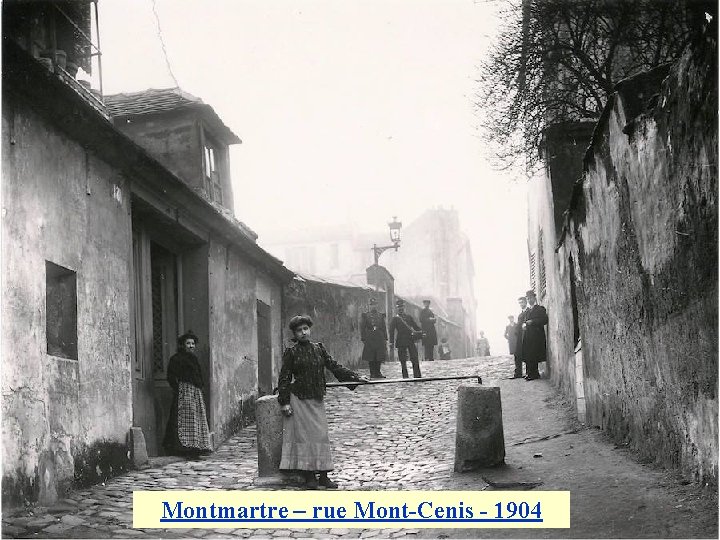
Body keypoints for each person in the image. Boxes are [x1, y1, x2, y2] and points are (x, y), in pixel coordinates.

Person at [278, 315, 369, 489]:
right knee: (305, 439)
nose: (303, 333)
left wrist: (355, 377)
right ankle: (310, 477)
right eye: (299, 330)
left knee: (321, 436)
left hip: (316, 399)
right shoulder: (291, 353)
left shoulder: (319, 349)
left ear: (309, 329)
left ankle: (324, 476)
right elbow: (284, 378)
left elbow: (334, 367)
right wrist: (284, 402)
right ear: (294, 334)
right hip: (300, 399)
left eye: (305, 329)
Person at [163, 331, 212, 459]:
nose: (191, 346)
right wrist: (179, 388)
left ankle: (195, 447)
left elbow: (199, 376)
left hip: (195, 393)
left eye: (193, 343)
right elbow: (171, 376)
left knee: (196, 418)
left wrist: (198, 388)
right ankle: (182, 448)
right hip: (183, 392)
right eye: (188, 343)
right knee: (183, 418)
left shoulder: (194, 359)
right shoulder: (176, 359)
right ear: (183, 345)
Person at [388, 299, 423, 378]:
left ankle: (417, 375)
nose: (400, 309)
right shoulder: (395, 319)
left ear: (404, 307)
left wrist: (421, 332)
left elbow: (415, 326)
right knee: (402, 360)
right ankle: (405, 376)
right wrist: (391, 342)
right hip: (401, 340)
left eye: (402, 307)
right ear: (397, 308)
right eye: (399, 307)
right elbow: (391, 331)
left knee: (414, 357)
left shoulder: (409, 317)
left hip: (410, 339)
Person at [520, 290, 548, 381]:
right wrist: (524, 325)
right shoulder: (527, 311)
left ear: (534, 298)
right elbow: (524, 321)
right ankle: (530, 373)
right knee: (529, 354)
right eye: (527, 298)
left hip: (536, 336)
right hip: (528, 336)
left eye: (530, 298)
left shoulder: (540, 309)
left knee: (534, 354)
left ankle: (534, 374)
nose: (529, 300)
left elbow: (544, 320)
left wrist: (533, 321)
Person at [360, 297, 388, 379]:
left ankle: (378, 372)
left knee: (379, 355)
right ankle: (372, 373)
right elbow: (362, 327)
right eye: (372, 305)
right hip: (370, 337)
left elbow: (384, 327)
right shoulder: (366, 315)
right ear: (369, 306)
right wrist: (363, 338)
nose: (373, 306)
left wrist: (385, 338)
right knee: (371, 355)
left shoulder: (381, 315)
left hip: (379, 337)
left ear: (377, 305)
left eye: (375, 305)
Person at [510, 296, 529, 379]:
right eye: (520, 303)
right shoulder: (521, 314)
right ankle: (518, 373)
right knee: (517, 354)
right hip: (520, 336)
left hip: (527, 336)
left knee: (527, 354)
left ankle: (529, 373)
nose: (521, 304)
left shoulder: (528, 312)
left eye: (522, 302)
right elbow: (518, 325)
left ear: (526, 302)